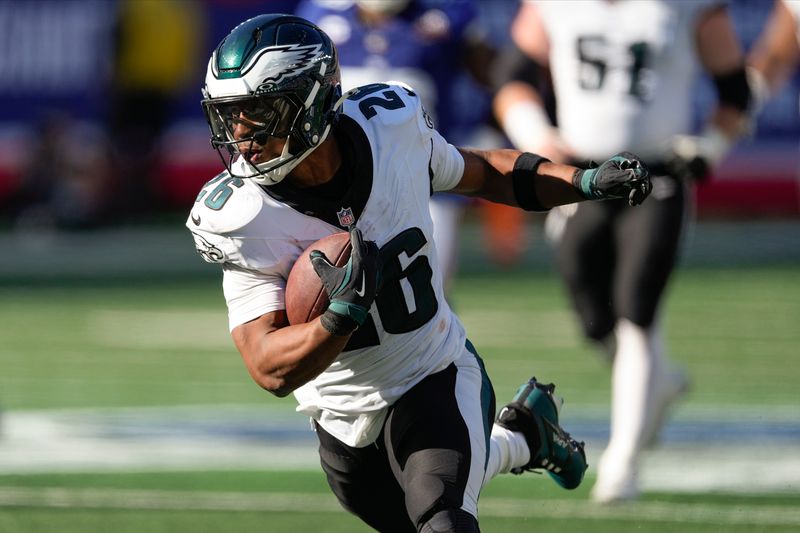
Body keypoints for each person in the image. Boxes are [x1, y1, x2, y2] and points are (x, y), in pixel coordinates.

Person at [188, 14, 651, 531]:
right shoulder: (241, 217)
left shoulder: (389, 127)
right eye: (231, 117)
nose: (241, 136)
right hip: (341, 419)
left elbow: (480, 171)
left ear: (312, 103)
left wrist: (581, 181)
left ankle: (511, 440)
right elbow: (267, 366)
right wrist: (338, 318)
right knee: (412, 510)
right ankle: (524, 439)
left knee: (443, 516)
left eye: (259, 114)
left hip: (433, 372)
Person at [493, 0, 753, 504]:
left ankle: (624, 459)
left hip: (658, 176)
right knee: (594, 318)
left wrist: (711, 147)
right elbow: (512, 75)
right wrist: (537, 136)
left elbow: (734, 87)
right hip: (582, 177)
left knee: (638, 310)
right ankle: (659, 381)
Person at [295, 0, 509, 293]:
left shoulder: (447, 15)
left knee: (426, 291)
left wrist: (490, 129)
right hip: (342, 184)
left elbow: (501, 77)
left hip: (426, 180)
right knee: (333, 293)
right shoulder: (320, 15)